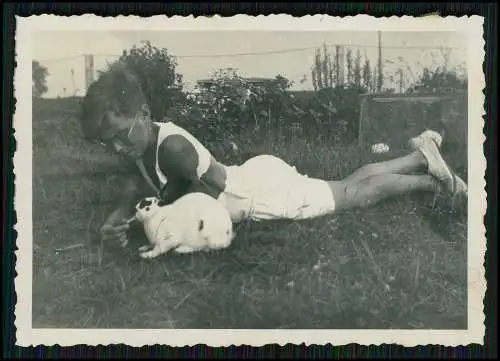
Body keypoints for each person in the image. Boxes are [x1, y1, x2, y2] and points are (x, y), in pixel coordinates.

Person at [80, 65, 467, 246]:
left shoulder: (173, 149)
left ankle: (427, 180)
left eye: (117, 135)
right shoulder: (143, 143)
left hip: (255, 196)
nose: (116, 147)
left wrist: (138, 229)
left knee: (348, 196)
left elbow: (200, 209)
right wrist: (118, 216)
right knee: (342, 185)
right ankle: (418, 158)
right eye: (106, 142)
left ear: (144, 115)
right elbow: (137, 183)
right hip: (248, 178)